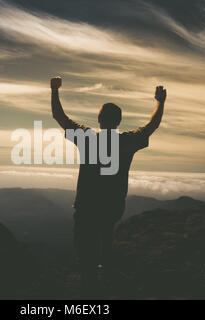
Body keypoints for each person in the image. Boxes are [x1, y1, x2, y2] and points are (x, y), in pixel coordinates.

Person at [50, 76, 166, 294]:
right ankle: (108, 275)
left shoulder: (86, 138)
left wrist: (55, 90)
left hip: (85, 205)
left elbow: (59, 116)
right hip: (112, 207)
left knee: (86, 248)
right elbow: (152, 126)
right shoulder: (127, 141)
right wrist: (160, 102)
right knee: (106, 236)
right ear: (119, 121)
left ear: (99, 119)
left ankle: (90, 283)